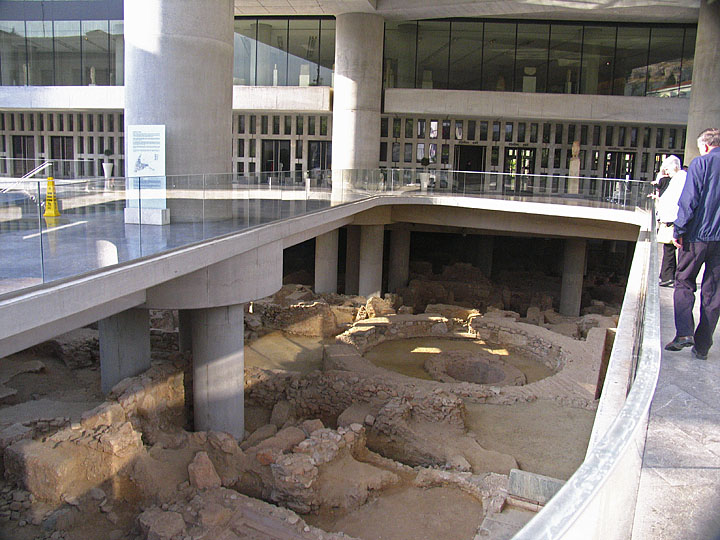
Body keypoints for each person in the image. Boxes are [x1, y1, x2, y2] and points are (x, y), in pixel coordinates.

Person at [665, 128, 720, 359]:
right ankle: (703, 346)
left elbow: (689, 200)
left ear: (705, 146)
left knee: (684, 281)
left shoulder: (701, 163)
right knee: (714, 292)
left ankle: (684, 333)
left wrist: (679, 229)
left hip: (697, 236)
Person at [654, 156, 687, 287]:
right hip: (671, 220)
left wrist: (671, 221)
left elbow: (676, 202)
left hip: (673, 221)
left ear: (674, 166)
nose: (665, 172)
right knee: (669, 249)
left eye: (666, 169)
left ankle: (669, 277)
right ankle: (667, 276)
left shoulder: (680, 179)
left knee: (671, 249)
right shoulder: (677, 179)